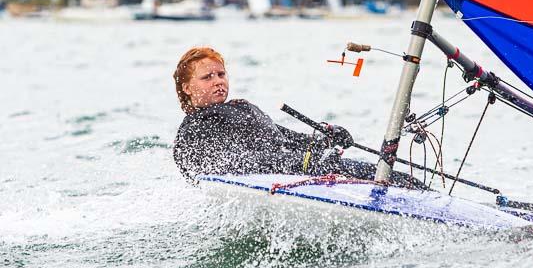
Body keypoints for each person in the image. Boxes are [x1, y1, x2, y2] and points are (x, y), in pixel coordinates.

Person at [172, 47, 424, 188]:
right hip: (285, 180)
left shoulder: (242, 108)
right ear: (186, 87)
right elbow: (226, 165)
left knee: (399, 178)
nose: (218, 82)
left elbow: (287, 139)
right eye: (207, 77)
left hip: (307, 170)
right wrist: (304, 163)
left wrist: (326, 140)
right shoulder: (194, 128)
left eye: (221, 74)